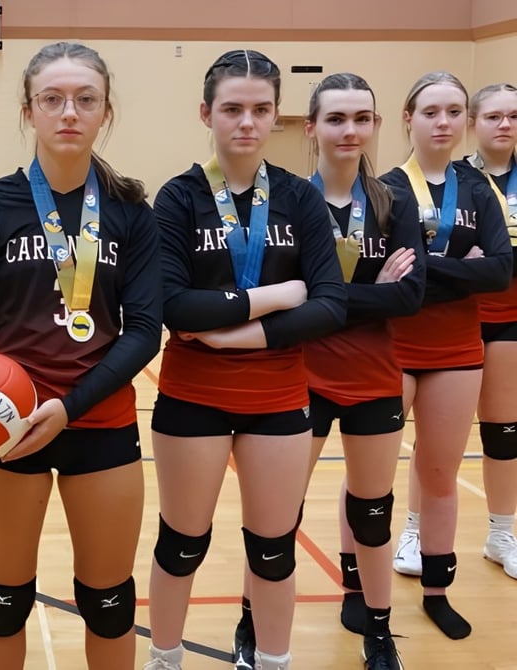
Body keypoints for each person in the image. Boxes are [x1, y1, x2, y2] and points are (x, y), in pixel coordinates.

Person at [0, 41, 161, 670]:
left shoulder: (130, 210)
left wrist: (71, 407)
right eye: (52, 99)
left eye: (85, 99)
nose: (68, 112)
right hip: (5, 422)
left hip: (98, 420)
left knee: (110, 606)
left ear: (105, 111)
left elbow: (144, 330)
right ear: (29, 110)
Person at [144, 50, 346, 670]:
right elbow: (175, 305)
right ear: (207, 113)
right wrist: (277, 296)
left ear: (275, 114)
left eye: (261, 110)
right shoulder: (178, 199)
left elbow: (333, 305)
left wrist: (236, 335)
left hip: (279, 397)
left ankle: (274, 660)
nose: (247, 123)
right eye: (232, 109)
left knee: (274, 549)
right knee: (182, 543)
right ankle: (165, 657)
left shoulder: (299, 200)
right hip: (192, 396)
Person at [301, 73, 424, 669]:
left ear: (376, 125)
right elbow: (291, 300)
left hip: (375, 375)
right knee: (278, 516)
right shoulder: (290, 203)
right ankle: (252, 626)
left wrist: (328, 298)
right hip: (299, 377)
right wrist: (364, 290)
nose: (350, 130)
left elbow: (409, 297)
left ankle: (379, 632)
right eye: (336, 119)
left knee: (373, 513)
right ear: (312, 128)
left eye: (361, 119)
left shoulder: (392, 202)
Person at [384, 72, 511, 640]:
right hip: (392, 344)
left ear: (465, 120)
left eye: (454, 112)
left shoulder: (478, 188)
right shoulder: (385, 188)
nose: (443, 122)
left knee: (440, 474)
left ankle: (437, 590)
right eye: (430, 111)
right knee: (372, 479)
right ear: (408, 117)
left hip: (458, 347)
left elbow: (499, 271)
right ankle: (361, 594)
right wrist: (466, 270)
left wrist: (429, 269)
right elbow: (384, 277)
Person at [459, 83, 517, 581]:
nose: (505, 124)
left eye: (513, 116)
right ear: (473, 122)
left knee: (503, 431)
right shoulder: (454, 179)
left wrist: (495, 262)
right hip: (456, 317)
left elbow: (496, 261)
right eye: (494, 116)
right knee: (443, 440)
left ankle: (503, 533)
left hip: (511, 320)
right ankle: (413, 529)